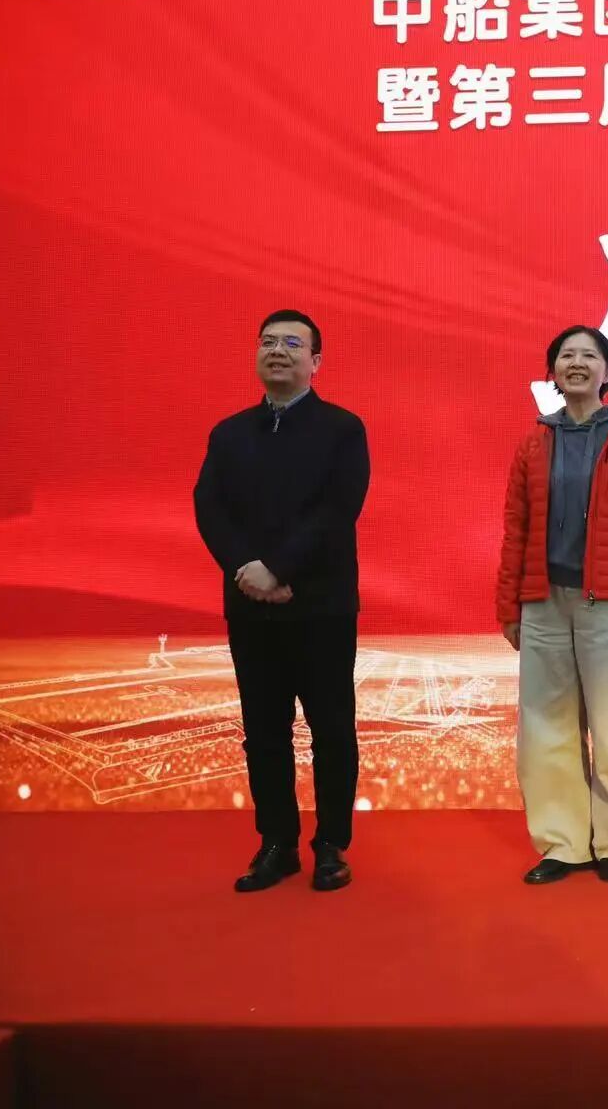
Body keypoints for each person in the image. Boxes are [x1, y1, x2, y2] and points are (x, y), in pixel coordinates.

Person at [193, 310, 369, 893]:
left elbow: (337, 511)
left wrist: (279, 569)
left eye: (293, 343)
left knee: (332, 729)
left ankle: (331, 845)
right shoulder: (229, 433)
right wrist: (246, 568)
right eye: (268, 342)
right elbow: (209, 507)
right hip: (251, 607)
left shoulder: (343, 430)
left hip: (321, 607)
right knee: (264, 731)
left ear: (315, 361)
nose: (278, 351)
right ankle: (277, 843)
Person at [497, 325, 608, 885]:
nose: (576, 363)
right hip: (544, 601)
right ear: (552, 372)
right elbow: (517, 527)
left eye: (588, 356)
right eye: (565, 356)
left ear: (607, 371)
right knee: (546, 726)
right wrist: (510, 606)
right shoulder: (534, 441)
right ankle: (563, 844)